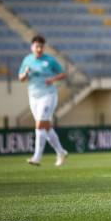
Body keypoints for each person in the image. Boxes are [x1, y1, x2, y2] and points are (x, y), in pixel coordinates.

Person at [18, 35, 68, 166]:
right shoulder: (27, 60)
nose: (39, 49)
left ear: (43, 47)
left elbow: (62, 73)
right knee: (46, 127)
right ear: (32, 47)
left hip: (48, 95)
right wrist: (25, 73)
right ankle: (61, 152)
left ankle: (37, 157)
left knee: (39, 125)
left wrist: (52, 79)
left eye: (41, 46)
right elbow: (21, 78)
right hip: (33, 96)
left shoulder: (50, 60)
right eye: (36, 46)